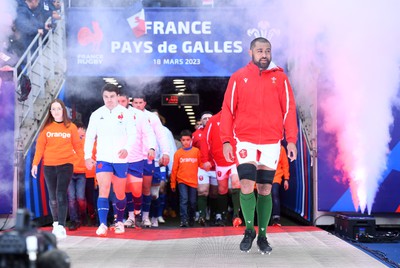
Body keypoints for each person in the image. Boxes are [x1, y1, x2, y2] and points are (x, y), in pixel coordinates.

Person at [220, 37, 298, 254]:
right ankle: (248, 230)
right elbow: (227, 110)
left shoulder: (281, 78)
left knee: (265, 189)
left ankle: (262, 235)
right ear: (251, 53)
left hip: (272, 142)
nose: (264, 55)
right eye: (260, 51)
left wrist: (291, 140)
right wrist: (226, 140)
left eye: (268, 51)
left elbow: (289, 110)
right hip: (244, 139)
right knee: (246, 184)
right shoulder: (238, 77)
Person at [84, 84, 136, 236]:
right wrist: (87, 156)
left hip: (120, 160)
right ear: (102, 97)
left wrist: (127, 148)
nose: (109, 100)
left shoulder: (125, 113)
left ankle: (119, 221)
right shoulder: (96, 114)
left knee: (119, 193)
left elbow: (133, 134)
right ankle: (102, 224)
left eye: (112, 96)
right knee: (103, 190)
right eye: (106, 97)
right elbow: (89, 136)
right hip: (103, 158)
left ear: (117, 97)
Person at [31, 99, 83, 239]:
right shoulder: (46, 128)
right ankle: (55, 223)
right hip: (49, 166)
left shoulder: (71, 127)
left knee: (61, 194)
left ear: (63, 110)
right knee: (52, 197)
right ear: (50, 111)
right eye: (53, 109)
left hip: (66, 165)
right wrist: (35, 164)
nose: (56, 111)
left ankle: (61, 225)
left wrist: (77, 161)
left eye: (58, 109)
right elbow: (40, 148)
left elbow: (78, 147)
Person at [117, 93, 156, 229]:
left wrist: (151, 147)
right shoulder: (111, 114)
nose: (120, 103)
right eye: (118, 101)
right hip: (119, 158)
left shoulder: (139, 115)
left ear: (129, 101)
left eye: (123, 100)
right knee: (125, 189)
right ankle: (131, 217)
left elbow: (149, 133)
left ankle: (139, 212)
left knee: (137, 190)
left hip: (136, 158)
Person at [132, 95, 170, 227]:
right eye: (135, 102)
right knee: (133, 189)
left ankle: (149, 217)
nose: (137, 105)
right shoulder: (126, 115)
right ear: (132, 103)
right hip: (132, 158)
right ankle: (132, 217)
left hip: (150, 158)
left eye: (140, 102)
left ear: (145, 103)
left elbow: (161, 135)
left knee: (151, 191)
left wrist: (165, 152)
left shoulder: (152, 117)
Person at [201, 111, 242, 227]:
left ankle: (236, 215)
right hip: (220, 160)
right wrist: (205, 159)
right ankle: (223, 215)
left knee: (236, 183)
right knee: (222, 189)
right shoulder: (213, 120)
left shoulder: (238, 118)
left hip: (235, 159)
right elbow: (205, 140)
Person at [170, 129, 202, 227]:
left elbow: (201, 165)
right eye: (183, 140)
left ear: (191, 140)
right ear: (181, 141)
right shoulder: (178, 153)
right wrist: (173, 183)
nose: (185, 142)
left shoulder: (196, 151)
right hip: (181, 180)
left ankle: (191, 218)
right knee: (184, 199)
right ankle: (183, 220)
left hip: (193, 181)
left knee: (192, 202)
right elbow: (174, 169)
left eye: (187, 140)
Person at [192, 111, 217, 226]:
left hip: (217, 166)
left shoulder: (220, 131)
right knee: (202, 191)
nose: (207, 120)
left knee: (215, 193)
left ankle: (216, 215)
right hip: (202, 167)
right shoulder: (196, 134)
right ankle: (202, 216)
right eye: (204, 118)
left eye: (209, 118)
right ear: (201, 121)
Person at [67, 120, 87, 231]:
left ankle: (83, 215)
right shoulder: (66, 141)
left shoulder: (86, 141)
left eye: (76, 129)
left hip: (81, 174)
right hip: (69, 173)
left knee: (80, 198)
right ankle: (74, 220)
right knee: (71, 198)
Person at [271, 145, 290, 226]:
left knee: (274, 194)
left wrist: (286, 179)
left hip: (276, 176)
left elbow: (285, 164)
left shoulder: (281, 148)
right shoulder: (261, 145)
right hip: (263, 176)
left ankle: (276, 218)